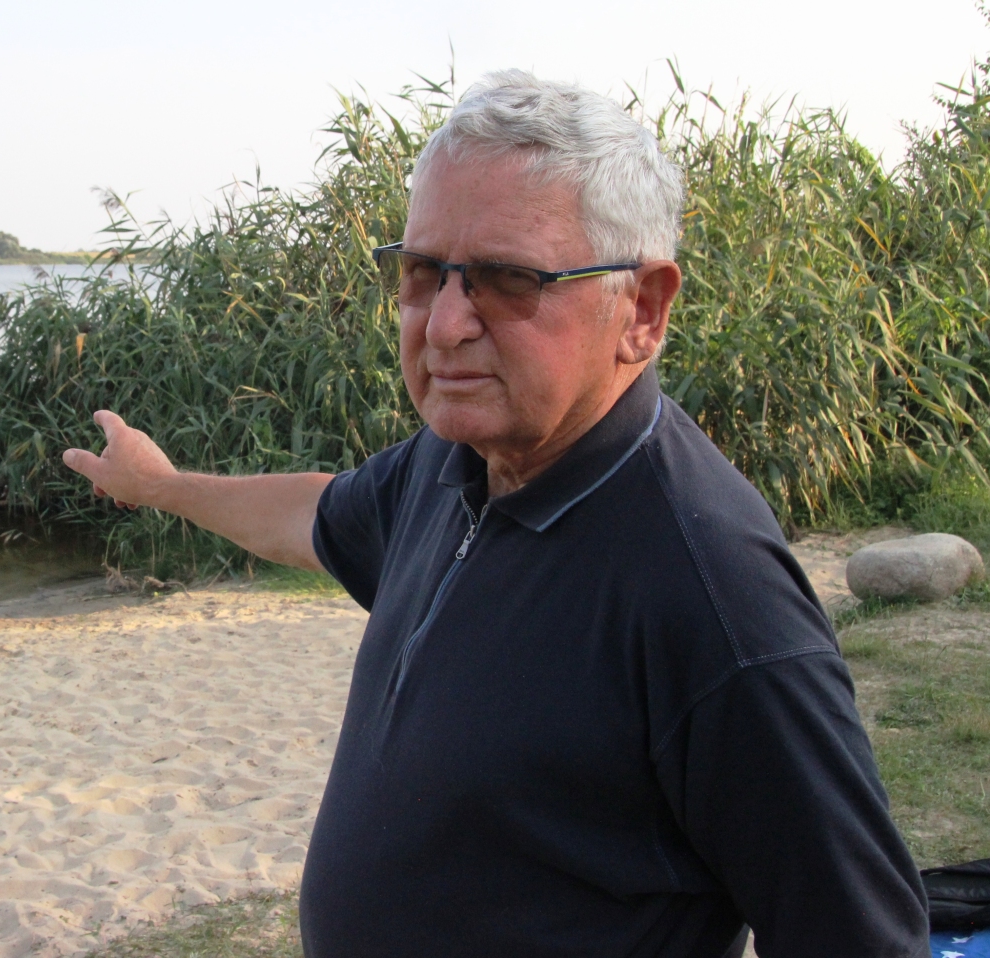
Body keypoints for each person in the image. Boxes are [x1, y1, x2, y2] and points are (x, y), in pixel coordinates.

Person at [61, 70, 929, 958]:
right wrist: (162, 486)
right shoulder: (456, 459)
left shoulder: (713, 595)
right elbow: (320, 517)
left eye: (509, 281)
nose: (443, 325)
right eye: (422, 273)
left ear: (642, 309)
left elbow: (859, 935)